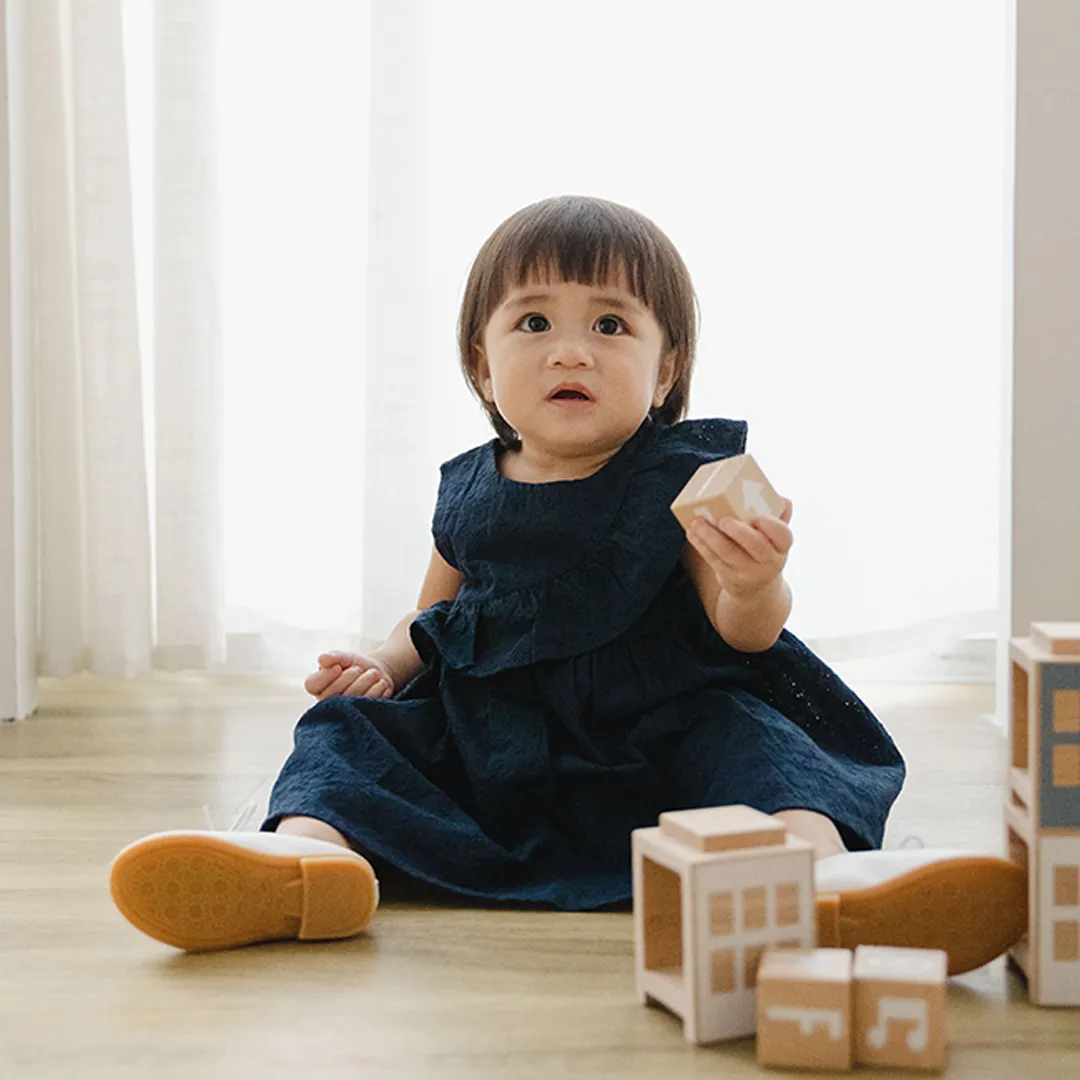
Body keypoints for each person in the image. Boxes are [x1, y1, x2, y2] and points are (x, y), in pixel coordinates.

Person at [110, 195, 1025, 971]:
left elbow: (741, 631)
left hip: (657, 733)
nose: (571, 351)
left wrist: (758, 581)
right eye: (535, 322)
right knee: (345, 734)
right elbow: (436, 616)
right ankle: (308, 867)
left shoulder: (690, 479)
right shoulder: (468, 488)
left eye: (612, 325)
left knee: (756, 740)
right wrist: (380, 666)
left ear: (666, 367)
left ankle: (818, 884)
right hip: (496, 742)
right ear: (481, 361)